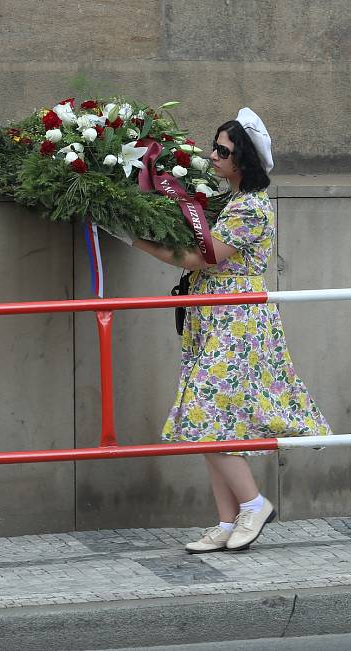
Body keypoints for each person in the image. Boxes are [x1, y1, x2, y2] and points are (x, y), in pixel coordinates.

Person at [131, 108, 331, 553]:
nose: (213, 155)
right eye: (215, 146)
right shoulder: (232, 202)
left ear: (243, 159)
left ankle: (254, 504)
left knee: (204, 414)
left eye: (222, 150)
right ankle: (227, 521)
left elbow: (203, 258)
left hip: (236, 317)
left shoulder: (250, 209)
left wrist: (135, 239)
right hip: (215, 315)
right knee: (213, 421)